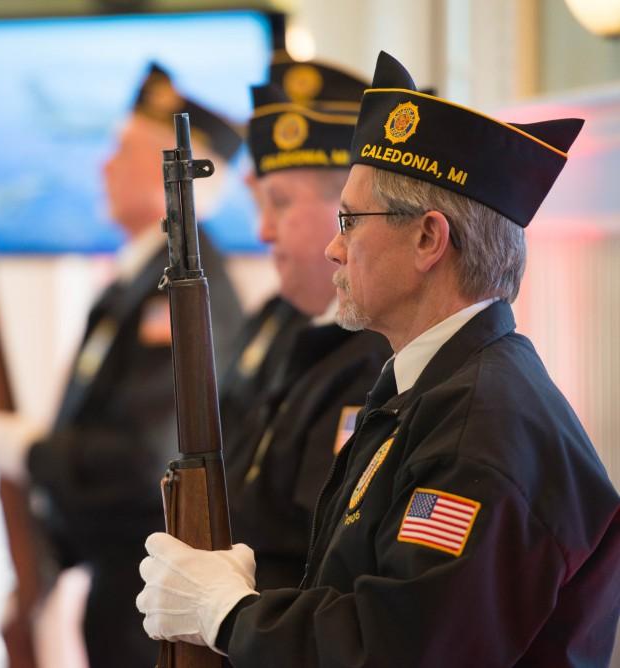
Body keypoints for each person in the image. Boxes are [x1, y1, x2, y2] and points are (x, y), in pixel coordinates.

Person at [137, 51, 620, 666]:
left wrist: (230, 614)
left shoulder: (481, 426)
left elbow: (401, 648)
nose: (333, 249)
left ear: (428, 239)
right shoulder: (432, 391)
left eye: (349, 220)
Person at [0, 63, 244, 668]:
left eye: (121, 150)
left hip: (150, 603)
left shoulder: (186, 292)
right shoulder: (135, 286)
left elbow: (144, 460)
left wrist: (35, 451)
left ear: (167, 177)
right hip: (124, 588)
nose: (102, 166)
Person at [217, 56, 391, 591]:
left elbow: (318, 557)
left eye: (280, 203)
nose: (264, 231)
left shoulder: (374, 352)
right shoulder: (287, 321)